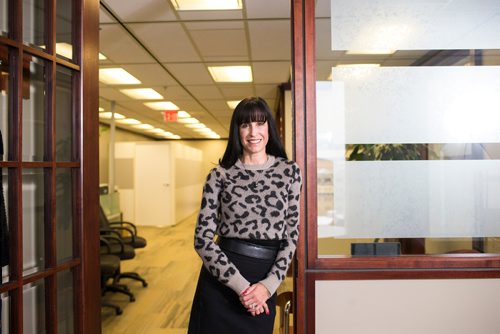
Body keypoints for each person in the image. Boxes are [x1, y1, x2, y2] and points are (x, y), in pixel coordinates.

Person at [188, 97, 302, 334]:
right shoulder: (219, 175)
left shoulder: (290, 172)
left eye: (260, 124)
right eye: (245, 125)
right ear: (236, 130)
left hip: (264, 284)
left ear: (269, 127)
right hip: (221, 285)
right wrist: (242, 288)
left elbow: (291, 236)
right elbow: (202, 240)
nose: (253, 132)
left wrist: (267, 288)